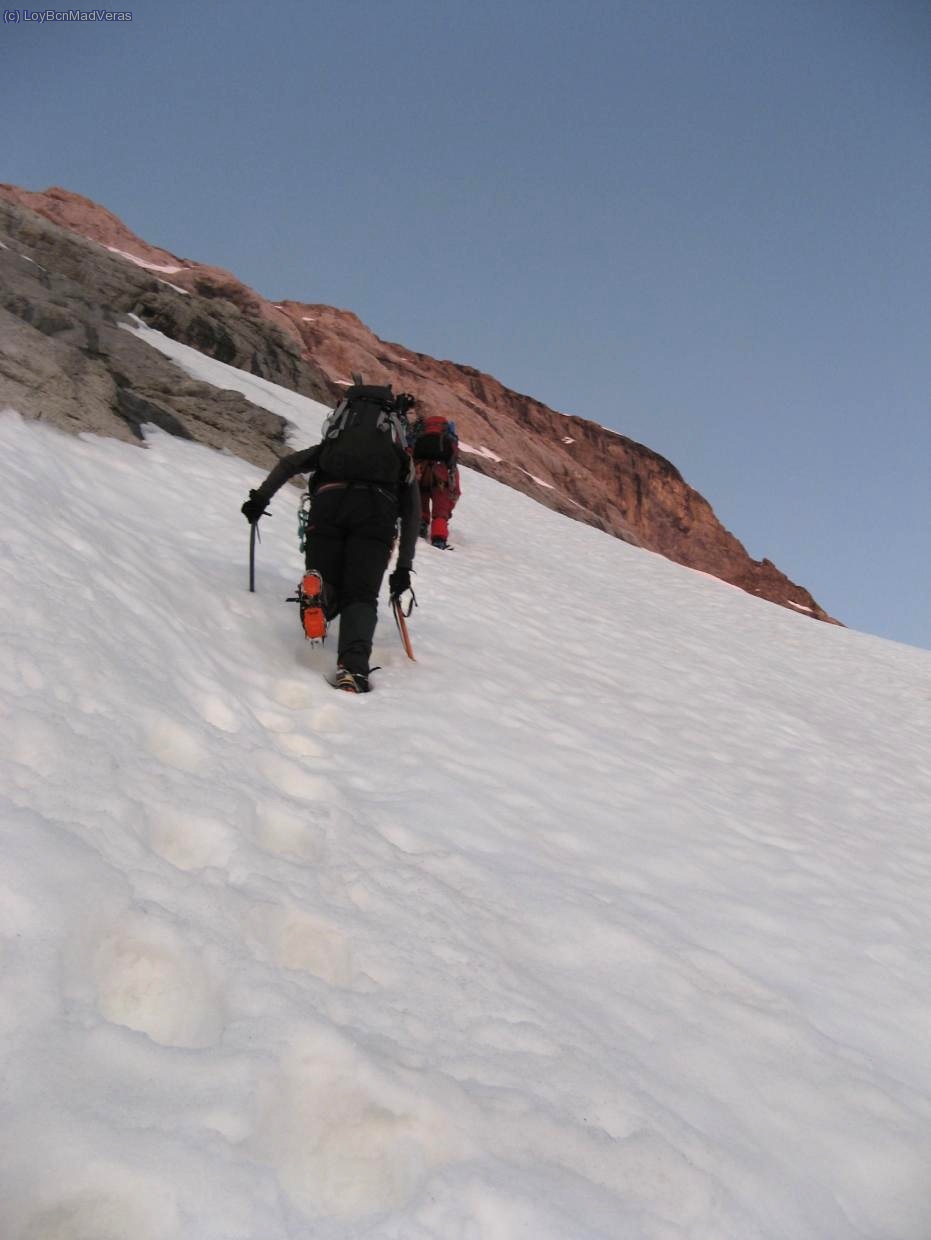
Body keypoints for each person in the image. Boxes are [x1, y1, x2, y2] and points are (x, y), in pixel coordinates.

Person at [241, 385, 419, 693]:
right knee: (360, 595)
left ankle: (320, 593)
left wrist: (260, 499)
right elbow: (413, 512)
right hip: (375, 514)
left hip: (327, 506)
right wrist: (403, 567)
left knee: (328, 579)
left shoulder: (335, 445)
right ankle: (352, 670)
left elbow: (289, 464)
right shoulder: (399, 457)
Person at [409, 410, 461, 549]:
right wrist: (448, 510)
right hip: (442, 474)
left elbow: (411, 453)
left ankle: (421, 525)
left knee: (421, 500)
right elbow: (455, 486)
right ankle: (439, 539)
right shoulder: (448, 438)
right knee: (440, 512)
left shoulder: (420, 434)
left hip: (421, 471)